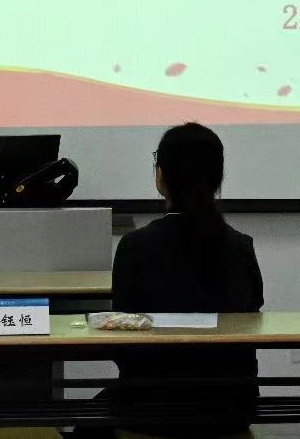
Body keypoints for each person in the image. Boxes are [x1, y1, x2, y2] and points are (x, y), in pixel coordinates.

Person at [79, 123, 263, 438]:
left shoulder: (135, 247)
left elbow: (122, 341)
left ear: (160, 176)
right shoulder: (240, 247)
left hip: (149, 408)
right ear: (217, 179)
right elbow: (251, 326)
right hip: (229, 409)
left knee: (86, 424)